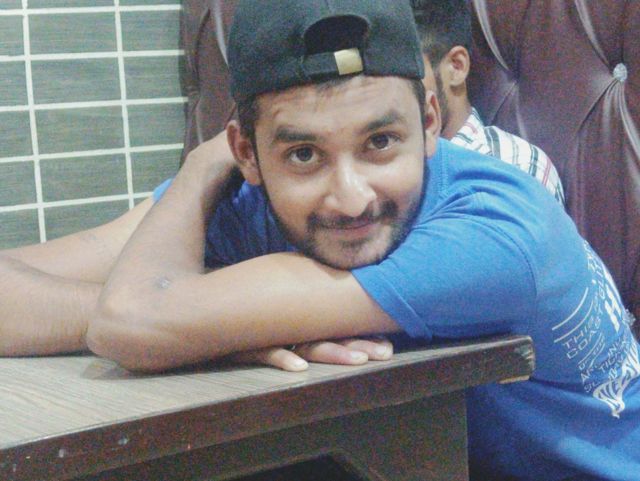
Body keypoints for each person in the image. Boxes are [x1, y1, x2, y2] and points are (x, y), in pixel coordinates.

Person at [0, 1, 638, 479]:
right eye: (304, 154)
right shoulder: (232, 192)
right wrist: (199, 196)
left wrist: (201, 321)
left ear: (429, 122)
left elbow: (131, 321)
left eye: (380, 142)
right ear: (244, 153)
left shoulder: (496, 228)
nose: (351, 198)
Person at [413, 0, 565, 204]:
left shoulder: (513, 167)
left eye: (409, 75)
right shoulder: (383, 172)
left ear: (456, 67)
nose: (394, 93)